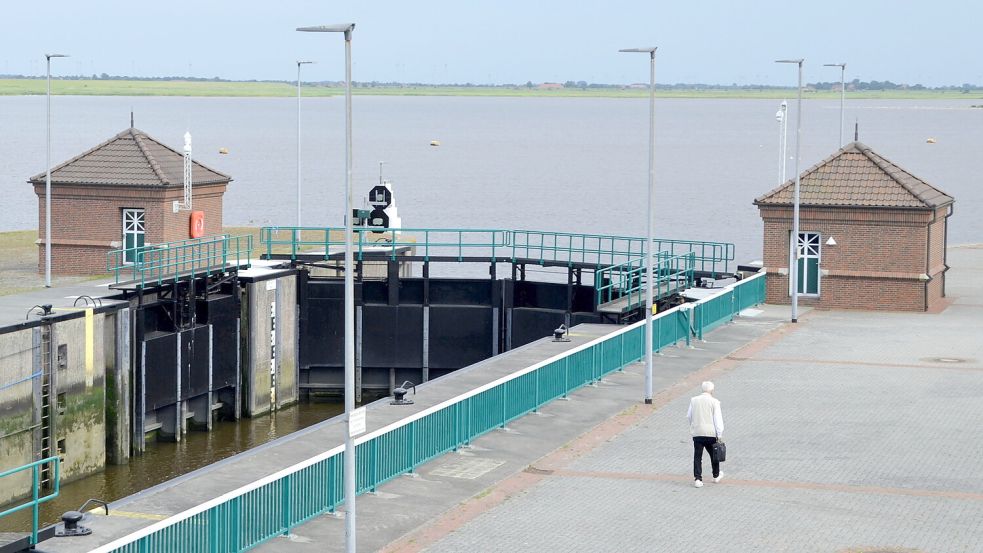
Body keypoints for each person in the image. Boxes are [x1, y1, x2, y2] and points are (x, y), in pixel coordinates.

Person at [687, 380, 724, 488]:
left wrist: (693, 426)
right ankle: (716, 475)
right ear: (712, 390)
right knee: (714, 454)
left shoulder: (694, 400)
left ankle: (698, 479)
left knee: (698, 456)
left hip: (697, 432)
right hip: (711, 433)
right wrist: (719, 433)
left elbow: (689, 415)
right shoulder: (715, 402)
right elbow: (718, 419)